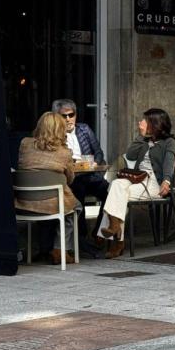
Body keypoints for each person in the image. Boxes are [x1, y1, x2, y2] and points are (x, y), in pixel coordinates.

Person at [96, 108, 175, 259]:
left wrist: (166, 181)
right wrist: (141, 136)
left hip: (155, 183)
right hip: (137, 179)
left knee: (118, 194)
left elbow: (169, 162)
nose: (141, 122)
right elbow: (130, 155)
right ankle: (115, 230)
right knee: (116, 185)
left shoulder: (170, 142)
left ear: (155, 123)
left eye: (145, 120)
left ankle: (114, 238)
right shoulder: (144, 141)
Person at [16, 112, 80, 265]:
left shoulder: (25, 144)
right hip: (51, 203)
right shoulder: (64, 153)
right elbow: (70, 179)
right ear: (60, 130)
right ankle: (60, 249)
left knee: (55, 204)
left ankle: (43, 248)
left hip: (24, 203)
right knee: (76, 207)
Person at [51, 98, 109, 245]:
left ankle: (99, 231)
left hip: (90, 174)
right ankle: (81, 237)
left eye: (71, 115)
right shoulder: (54, 134)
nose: (68, 119)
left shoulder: (84, 129)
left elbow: (98, 152)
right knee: (78, 191)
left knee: (109, 192)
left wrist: (96, 162)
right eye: (64, 116)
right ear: (57, 117)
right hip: (70, 178)